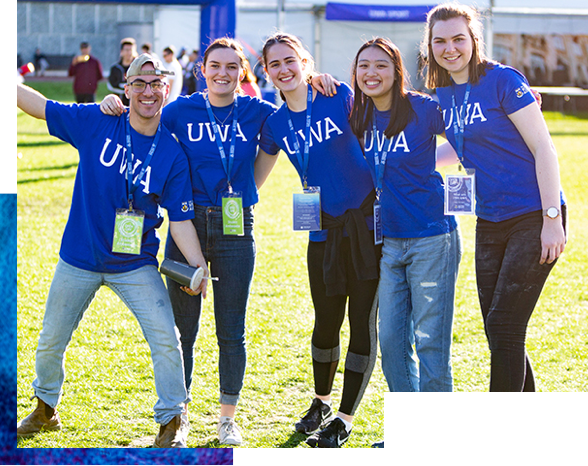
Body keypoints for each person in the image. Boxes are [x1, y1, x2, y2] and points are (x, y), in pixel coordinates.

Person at [16, 54, 209, 447]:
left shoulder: (171, 153)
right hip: (80, 257)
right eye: (140, 83)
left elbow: (181, 218)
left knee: (165, 338)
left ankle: (173, 418)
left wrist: (198, 264)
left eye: (156, 84)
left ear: (166, 90)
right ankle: (45, 406)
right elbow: (40, 108)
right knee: (52, 336)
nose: (148, 92)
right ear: (126, 88)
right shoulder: (97, 120)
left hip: (134, 263)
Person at [422, 3, 567, 392]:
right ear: (430, 45)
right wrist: (411, 166)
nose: (449, 48)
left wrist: (552, 219)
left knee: (504, 326)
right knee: (500, 329)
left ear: (473, 40)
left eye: (458, 39)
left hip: (534, 215)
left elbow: (544, 149)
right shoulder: (442, 94)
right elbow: (458, 146)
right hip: (489, 220)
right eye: (440, 41)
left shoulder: (503, 80)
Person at [258, 32, 380, 448]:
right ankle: (321, 402)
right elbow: (255, 177)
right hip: (322, 230)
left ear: (305, 61)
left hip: (366, 225)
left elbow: (384, 120)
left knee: (362, 320)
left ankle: (344, 418)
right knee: (325, 319)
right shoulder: (274, 124)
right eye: (275, 64)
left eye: (290, 60)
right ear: (267, 72)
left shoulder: (338, 94)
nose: (284, 69)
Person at [350, 37, 462, 395]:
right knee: (392, 342)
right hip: (389, 241)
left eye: (381, 65)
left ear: (397, 71)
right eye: (364, 65)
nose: (371, 72)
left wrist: (437, 161)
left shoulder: (423, 109)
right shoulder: (358, 112)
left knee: (430, 341)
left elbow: (470, 134)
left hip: (432, 237)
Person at [108, 37, 138, 106]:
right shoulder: (115, 68)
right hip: (118, 105)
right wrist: (125, 89)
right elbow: (111, 85)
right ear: (122, 51)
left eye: (131, 50)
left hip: (134, 105)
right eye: (127, 50)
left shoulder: (138, 67)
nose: (129, 52)